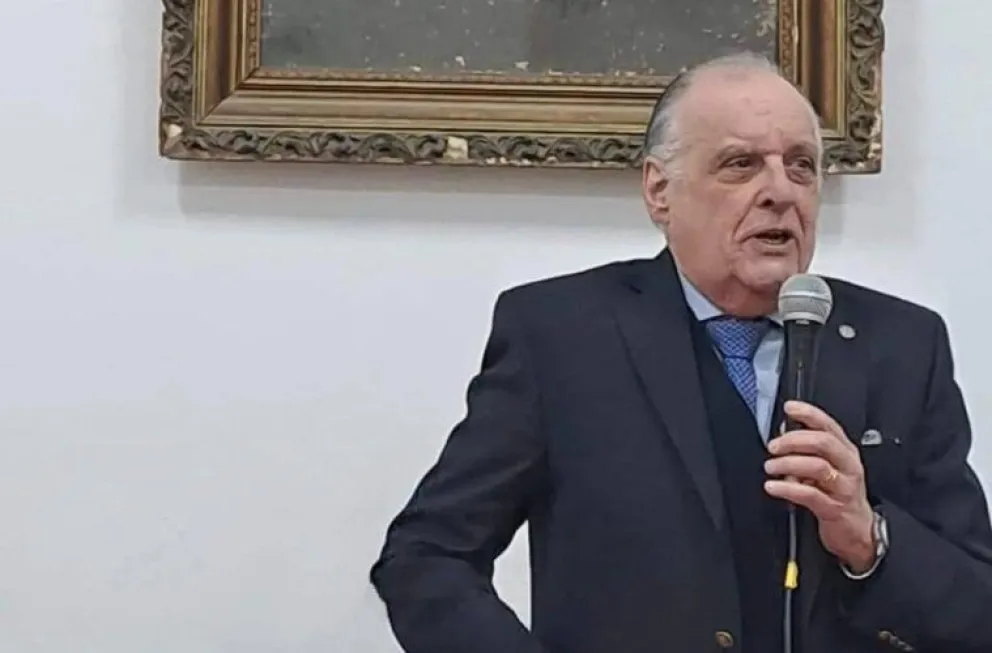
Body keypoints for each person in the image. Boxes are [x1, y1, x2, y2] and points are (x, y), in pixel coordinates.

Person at [369, 52, 992, 653]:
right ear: (659, 190)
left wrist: (869, 539)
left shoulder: (901, 346)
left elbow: (977, 610)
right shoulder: (562, 336)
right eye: (741, 164)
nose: (781, 191)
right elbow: (425, 558)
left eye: (801, 166)